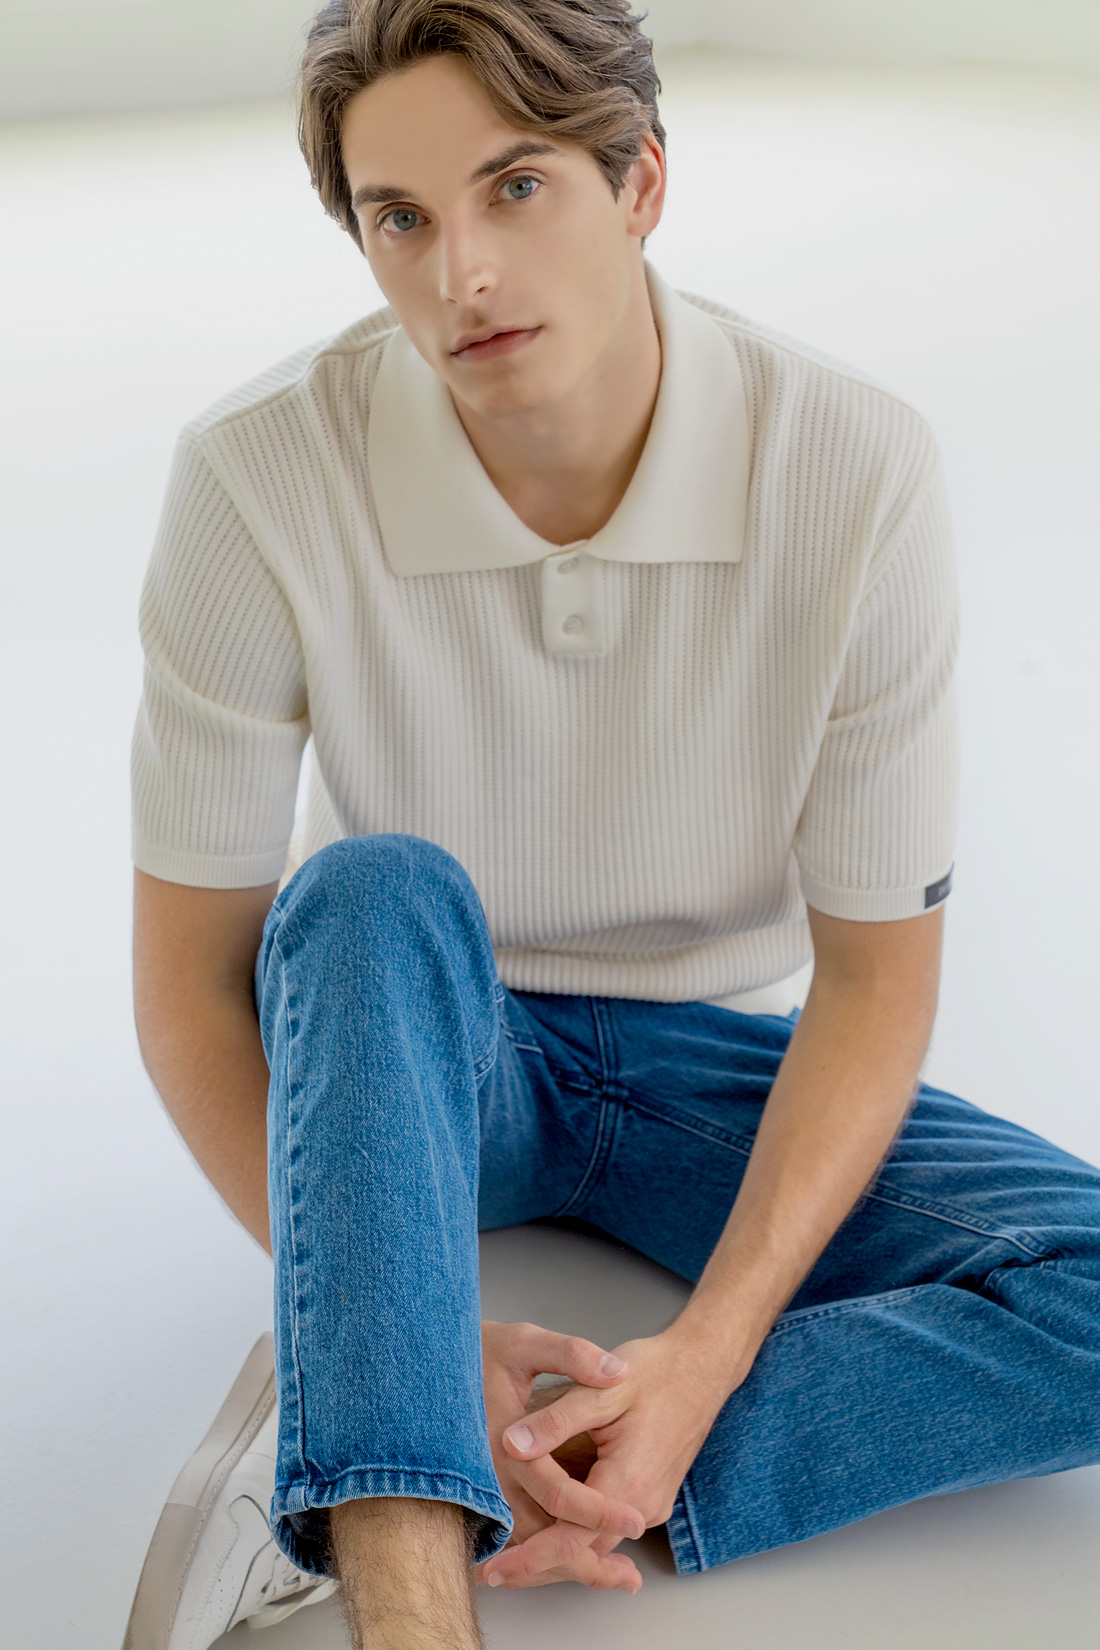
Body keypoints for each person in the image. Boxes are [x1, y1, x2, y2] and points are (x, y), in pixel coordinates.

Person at [122, 1, 1100, 1647]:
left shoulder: (851, 461)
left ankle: (552, 1456)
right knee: (361, 890)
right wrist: (400, 1325)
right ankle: (407, 1582)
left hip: (711, 1058)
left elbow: (876, 979)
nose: (461, 275)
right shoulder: (256, 472)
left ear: (640, 181)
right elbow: (189, 987)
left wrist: (704, 1357)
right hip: (423, 1037)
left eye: (516, 188)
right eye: (401, 218)